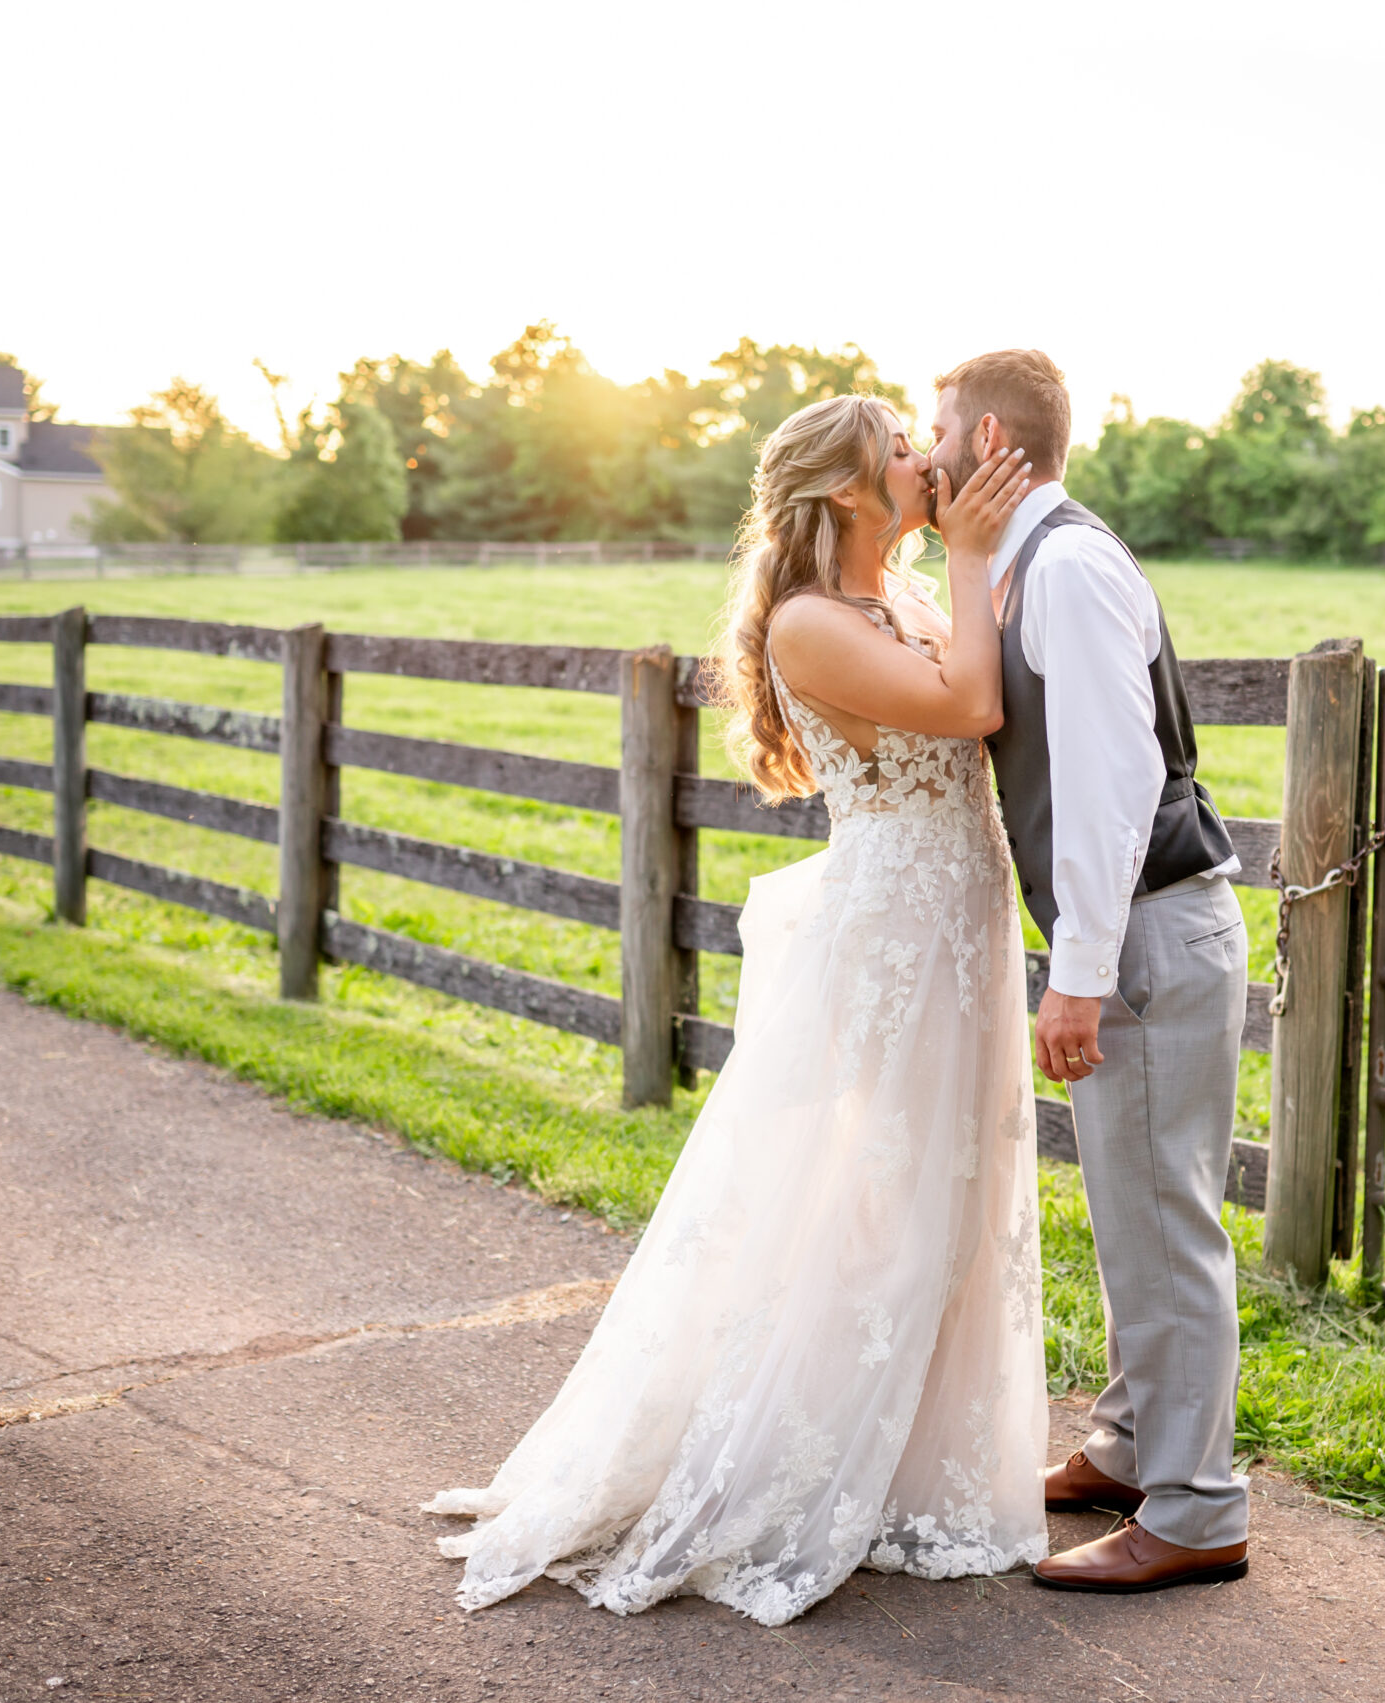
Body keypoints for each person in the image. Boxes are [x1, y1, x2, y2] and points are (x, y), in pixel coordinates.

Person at [426, 396, 1047, 1626]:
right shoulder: (814, 625)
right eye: (905, 453)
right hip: (894, 936)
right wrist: (976, 556)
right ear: (848, 493)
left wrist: (982, 563)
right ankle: (785, 1458)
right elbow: (973, 708)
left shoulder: (904, 599)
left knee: (950, 1190)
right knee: (867, 1192)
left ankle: (905, 1462)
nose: (929, 462)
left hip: (959, 923)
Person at [924, 350, 1252, 1594]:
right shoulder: (1034, 563)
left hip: (1148, 934)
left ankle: (1197, 1509)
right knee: (1134, 1208)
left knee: (1165, 1220)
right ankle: (1129, 1448)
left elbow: (1115, 783)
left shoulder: (1064, 566)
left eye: (938, 424)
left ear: (991, 434)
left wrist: (1077, 972)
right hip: (1140, 930)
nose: (928, 442)